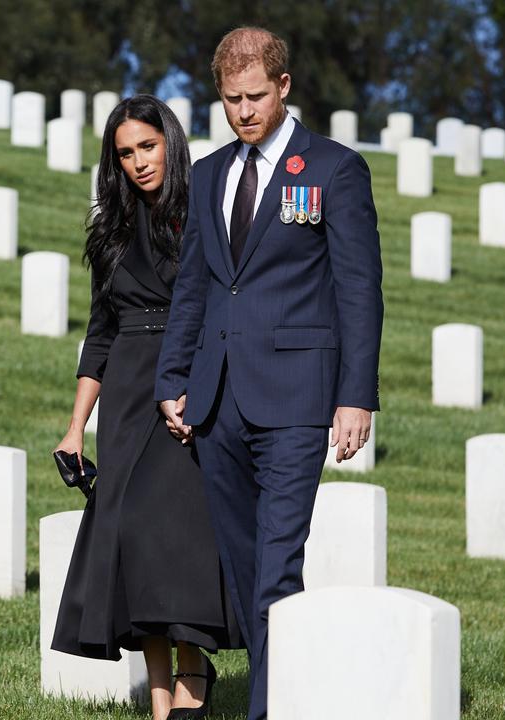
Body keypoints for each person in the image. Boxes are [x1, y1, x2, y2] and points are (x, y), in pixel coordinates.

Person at [154, 27, 384, 720]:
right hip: (216, 400)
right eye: (231, 100)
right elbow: (194, 283)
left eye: (256, 96)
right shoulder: (214, 174)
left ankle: (269, 710)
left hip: (296, 401)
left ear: (284, 87)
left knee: (277, 569)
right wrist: (173, 378)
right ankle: (291, 691)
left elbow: (359, 289)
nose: (245, 111)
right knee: (245, 569)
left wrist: (356, 397)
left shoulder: (334, 170)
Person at [53, 94, 243, 720]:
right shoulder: (109, 231)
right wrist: (76, 427)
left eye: (148, 146)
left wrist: (198, 383)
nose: (138, 162)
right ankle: (163, 705)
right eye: (125, 152)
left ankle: (195, 668)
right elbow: (100, 333)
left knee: (179, 539)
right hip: (129, 394)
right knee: (134, 541)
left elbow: (223, 305)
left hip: (188, 378)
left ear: (171, 143)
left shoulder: (204, 211)